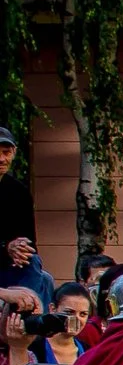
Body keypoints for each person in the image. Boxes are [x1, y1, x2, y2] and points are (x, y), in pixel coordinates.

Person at [0, 126, 53, 305]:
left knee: (38, 270)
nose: (1, 159)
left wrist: (20, 250)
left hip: (10, 264)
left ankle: (30, 320)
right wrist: (6, 248)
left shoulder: (19, 193)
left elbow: (29, 243)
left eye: (6, 152)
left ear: (14, 153)